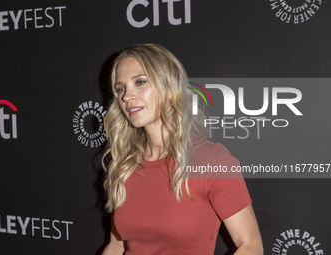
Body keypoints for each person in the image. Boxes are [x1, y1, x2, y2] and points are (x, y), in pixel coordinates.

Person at [101, 43, 263, 255]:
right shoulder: (122, 165)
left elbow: (251, 246)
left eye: (140, 82)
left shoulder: (210, 160)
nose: (126, 97)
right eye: (120, 89)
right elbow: (116, 246)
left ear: (169, 88)